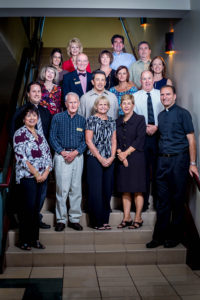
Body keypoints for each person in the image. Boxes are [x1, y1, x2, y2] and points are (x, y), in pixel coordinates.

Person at [146, 85, 199, 248]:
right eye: (162, 95)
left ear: (174, 96)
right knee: (162, 201)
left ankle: (174, 237)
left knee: (177, 200)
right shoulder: (160, 116)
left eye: (168, 94)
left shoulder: (183, 113)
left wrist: (192, 164)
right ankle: (159, 237)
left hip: (179, 161)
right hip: (162, 162)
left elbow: (191, 140)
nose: (164, 97)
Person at [10, 81, 52, 229]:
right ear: (28, 94)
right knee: (27, 198)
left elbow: (48, 136)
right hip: (28, 165)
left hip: (43, 162)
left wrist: (47, 164)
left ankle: (36, 219)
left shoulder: (46, 112)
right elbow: (13, 135)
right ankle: (25, 222)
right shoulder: (21, 112)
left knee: (41, 195)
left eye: (39, 91)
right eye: (33, 91)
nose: (36, 94)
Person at [13, 103, 52, 250]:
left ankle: (35, 239)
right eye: (28, 115)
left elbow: (48, 156)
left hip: (42, 177)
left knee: (36, 210)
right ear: (24, 119)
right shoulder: (20, 134)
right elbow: (21, 157)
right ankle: (23, 240)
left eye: (34, 115)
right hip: (27, 178)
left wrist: (46, 173)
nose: (31, 118)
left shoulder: (40, 134)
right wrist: (36, 174)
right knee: (27, 209)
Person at [50, 92, 86, 232]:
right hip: (61, 156)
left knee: (76, 189)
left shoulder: (82, 120)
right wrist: (62, 151)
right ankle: (61, 220)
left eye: (75, 102)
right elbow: (52, 137)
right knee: (62, 189)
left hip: (77, 156)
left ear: (78, 104)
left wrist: (76, 152)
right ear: (65, 104)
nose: (73, 105)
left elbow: (85, 140)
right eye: (70, 102)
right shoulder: (57, 118)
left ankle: (74, 219)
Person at [85, 96, 116, 230]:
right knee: (95, 190)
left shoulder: (112, 121)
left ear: (108, 107)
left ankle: (104, 220)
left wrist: (112, 156)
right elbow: (88, 141)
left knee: (107, 189)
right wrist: (100, 158)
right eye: (100, 104)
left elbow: (114, 140)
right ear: (96, 106)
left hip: (109, 158)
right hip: (94, 158)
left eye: (105, 105)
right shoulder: (91, 119)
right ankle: (96, 222)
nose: (103, 107)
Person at [134, 70, 163, 210]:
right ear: (141, 81)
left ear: (153, 80)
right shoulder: (135, 96)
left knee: (158, 170)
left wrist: (157, 127)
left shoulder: (161, 95)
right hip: (142, 137)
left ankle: (158, 203)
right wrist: (143, 128)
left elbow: (165, 115)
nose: (147, 81)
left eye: (149, 78)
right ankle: (143, 203)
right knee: (143, 171)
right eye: (144, 79)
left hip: (159, 136)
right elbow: (133, 118)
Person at [116, 94, 146, 229]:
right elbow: (114, 139)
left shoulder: (140, 119)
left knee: (137, 189)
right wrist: (120, 154)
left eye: (129, 103)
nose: (126, 106)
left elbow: (139, 140)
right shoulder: (117, 120)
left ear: (133, 105)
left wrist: (125, 154)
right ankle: (127, 217)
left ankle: (138, 218)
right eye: (124, 103)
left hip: (136, 158)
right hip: (121, 157)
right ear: (121, 106)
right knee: (125, 189)